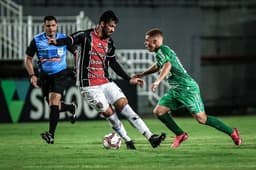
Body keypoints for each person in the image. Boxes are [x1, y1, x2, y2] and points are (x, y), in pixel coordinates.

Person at [50, 10, 166, 149]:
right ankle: (128, 140)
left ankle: (150, 137)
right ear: (102, 24)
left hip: (106, 82)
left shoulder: (109, 43)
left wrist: (129, 79)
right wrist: (57, 42)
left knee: (124, 105)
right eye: (111, 26)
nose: (112, 29)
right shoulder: (85, 36)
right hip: (89, 86)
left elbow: (113, 63)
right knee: (109, 113)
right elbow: (70, 40)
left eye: (114, 27)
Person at [134, 28, 242, 148]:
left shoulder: (162, 50)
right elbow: (158, 66)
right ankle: (180, 135)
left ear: (154, 41)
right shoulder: (161, 52)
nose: (145, 43)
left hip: (187, 88)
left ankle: (232, 132)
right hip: (176, 89)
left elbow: (167, 65)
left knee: (202, 119)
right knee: (159, 111)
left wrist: (158, 81)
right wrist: (143, 74)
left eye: (147, 40)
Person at [24, 16, 77, 144]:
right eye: (48, 26)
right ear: (44, 26)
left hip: (60, 75)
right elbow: (28, 59)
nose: (51, 28)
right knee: (54, 106)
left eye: (53, 25)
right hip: (45, 76)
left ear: (56, 26)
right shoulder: (37, 40)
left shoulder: (63, 39)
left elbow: (76, 52)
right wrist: (32, 75)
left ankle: (51, 135)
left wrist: (76, 68)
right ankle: (70, 107)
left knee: (53, 102)